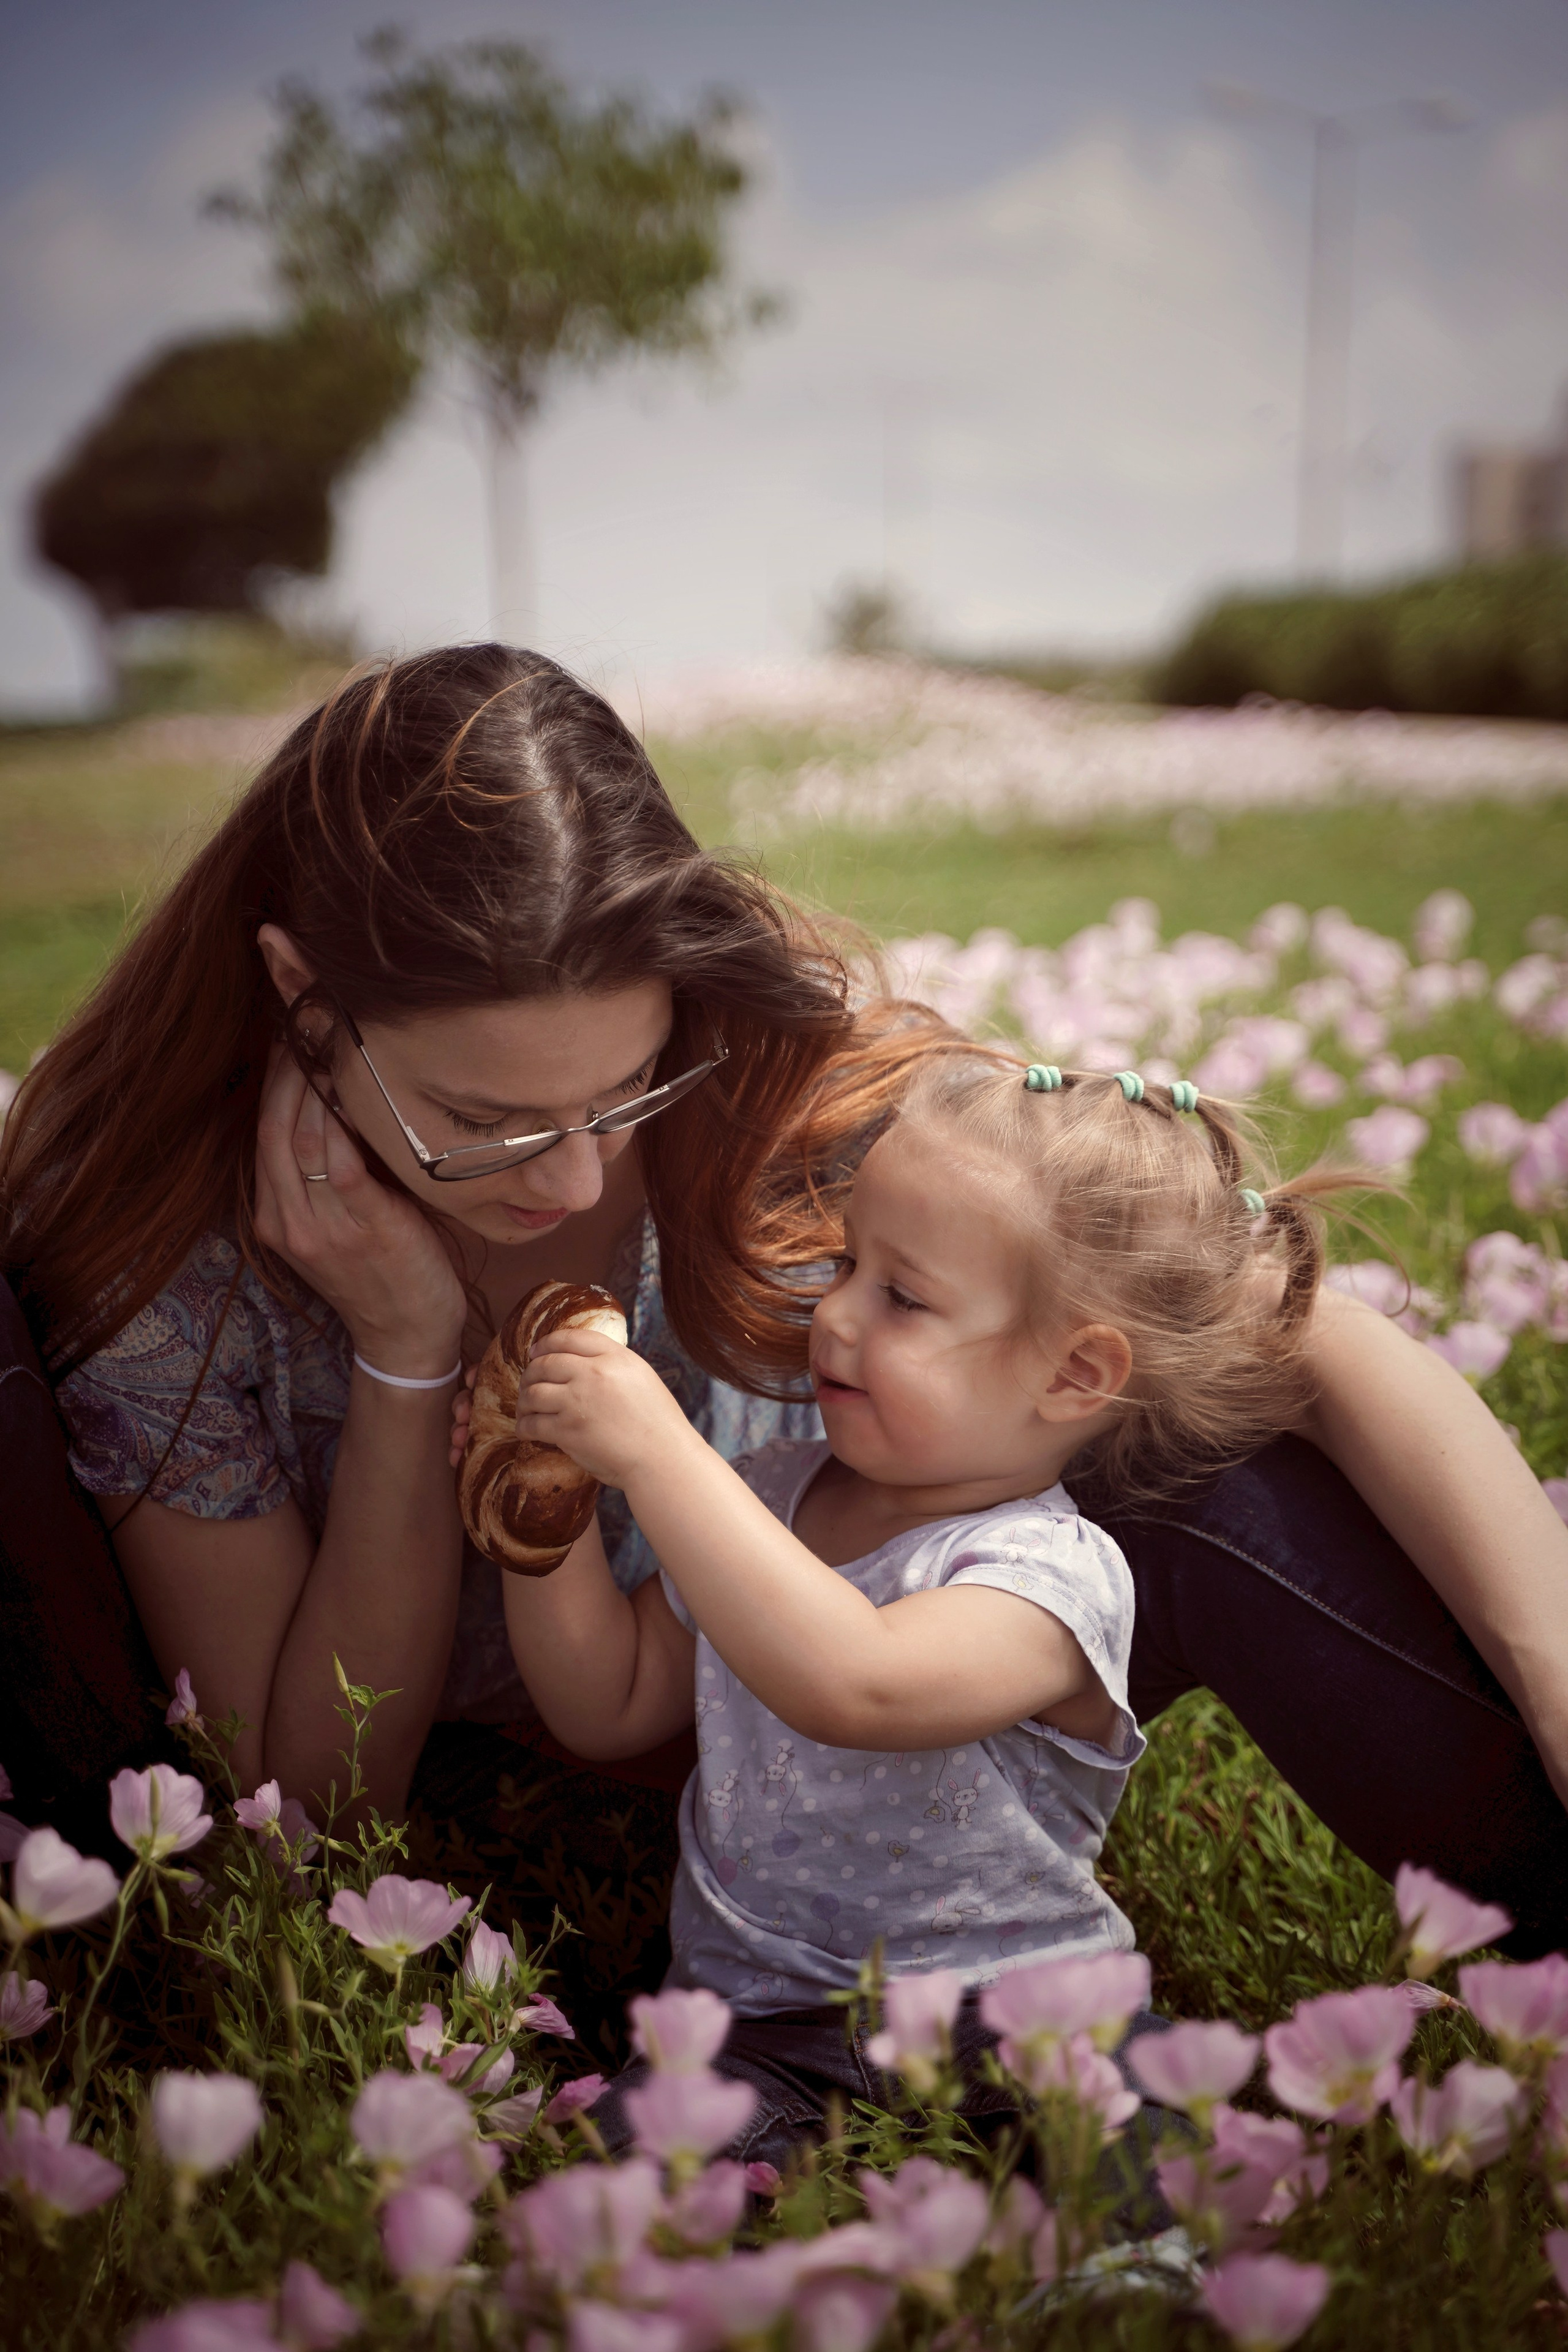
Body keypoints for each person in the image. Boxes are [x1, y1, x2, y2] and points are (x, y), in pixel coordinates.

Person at [1, 646, 1564, 2060]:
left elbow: (1313, 1344)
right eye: (483, 1121)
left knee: (1229, 1474)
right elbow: (313, 1808)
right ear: (302, 997)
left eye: (616, 1094)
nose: (574, 1181)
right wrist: (403, 1362)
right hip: (637, 1825)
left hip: (934, 1671)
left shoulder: (758, 1093)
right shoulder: (174, 1257)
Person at [474, 1050, 1360, 2160]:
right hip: (756, 2030)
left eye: (901, 1296)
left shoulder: (1052, 1572)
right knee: (623, 2185)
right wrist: (539, 1512)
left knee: (1138, 2157)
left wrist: (659, 1453)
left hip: (1020, 2016)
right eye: (848, 1262)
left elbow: (862, 1684)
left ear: (1074, 1376)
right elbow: (608, 1702)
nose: (836, 1313)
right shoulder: (769, 1498)